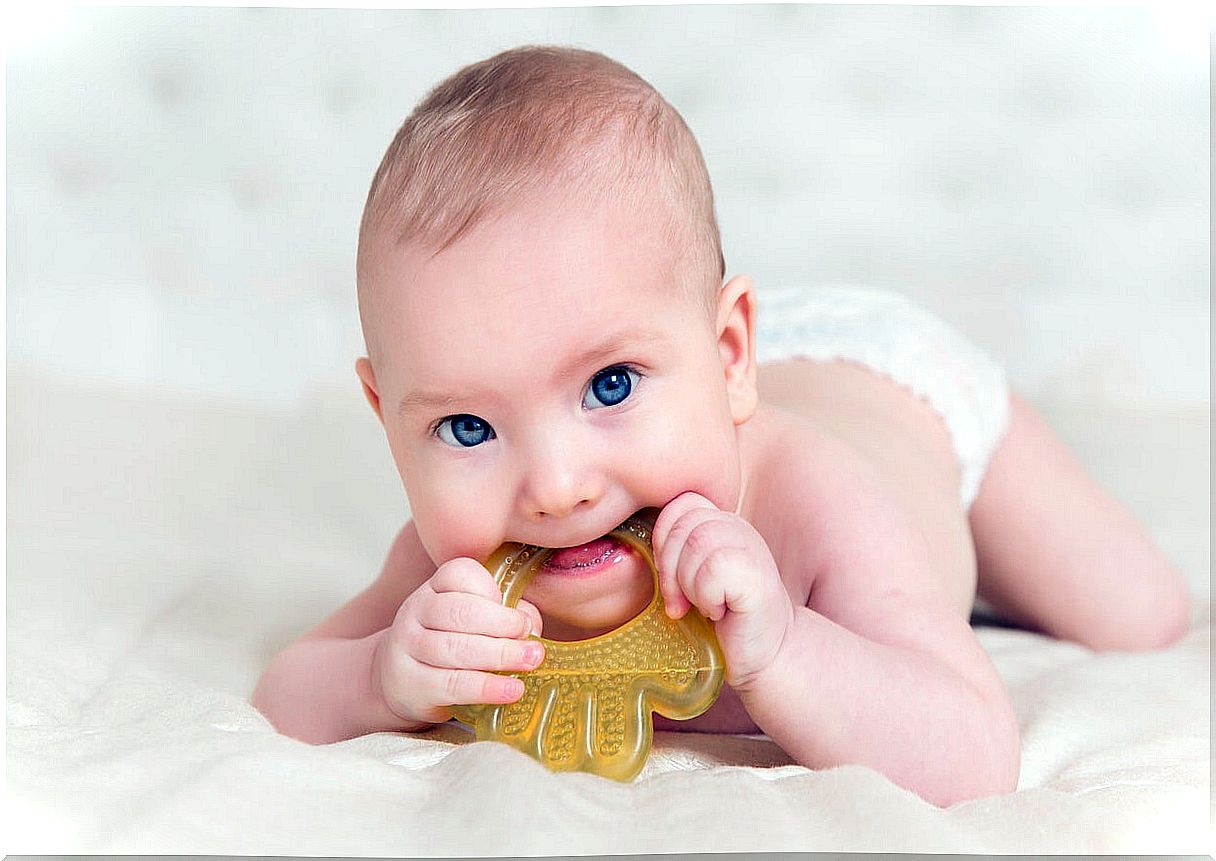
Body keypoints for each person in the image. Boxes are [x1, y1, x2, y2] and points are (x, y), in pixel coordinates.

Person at [251, 45, 1189, 806]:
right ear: (389, 419)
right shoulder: (452, 569)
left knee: (1138, 612)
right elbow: (286, 687)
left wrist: (787, 648)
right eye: (465, 429)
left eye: (611, 386)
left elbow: (974, 752)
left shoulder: (823, 508)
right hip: (743, 360)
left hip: (897, 387)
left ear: (727, 354)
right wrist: (380, 674)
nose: (556, 484)